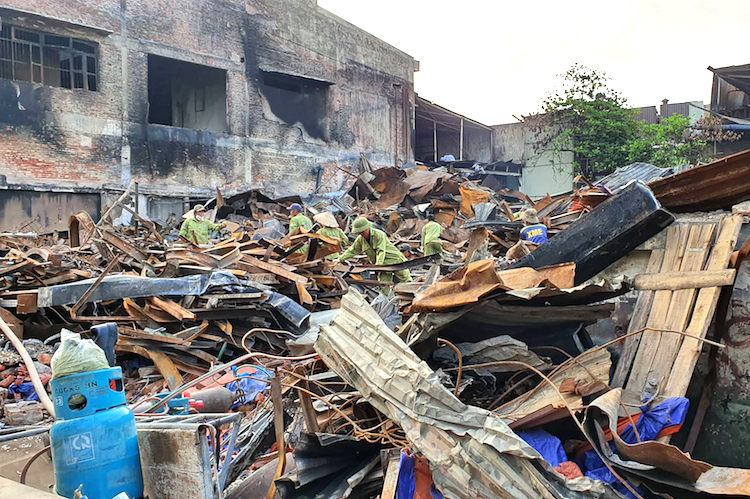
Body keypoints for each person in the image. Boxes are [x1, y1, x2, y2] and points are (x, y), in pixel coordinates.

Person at [339, 217, 412, 292]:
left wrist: (377, 266)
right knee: (383, 286)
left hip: (396, 262)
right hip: (383, 266)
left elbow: (380, 251)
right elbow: (353, 250)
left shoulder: (379, 235)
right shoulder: (360, 239)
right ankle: (384, 302)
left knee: (406, 283)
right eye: (359, 233)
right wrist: (341, 258)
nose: (361, 234)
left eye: (363, 232)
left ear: (368, 228)